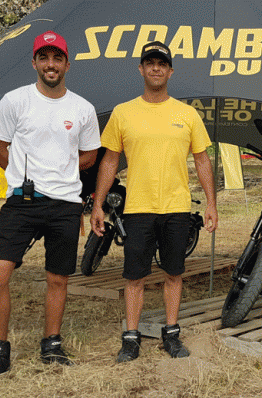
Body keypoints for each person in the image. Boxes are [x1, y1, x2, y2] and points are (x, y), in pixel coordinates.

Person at [0, 31, 101, 383]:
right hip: (22, 201)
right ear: (34, 63)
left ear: (67, 64)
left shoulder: (82, 108)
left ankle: (52, 345)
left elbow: (90, 155)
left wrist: (61, 171)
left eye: (57, 58)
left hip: (65, 203)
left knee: (58, 278)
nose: (50, 64)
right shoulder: (14, 101)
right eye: (44, 57)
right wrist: (22, 174)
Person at [91, 41, 218, 362]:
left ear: (170, 71)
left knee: (174, 273)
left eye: (162, 63)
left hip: (177, 208)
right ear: (141, 69)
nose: (156, 68)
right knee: (134, 277)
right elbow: (109, 161)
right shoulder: (123, 112)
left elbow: (202, 160)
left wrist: (212, 204)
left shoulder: (187, 114)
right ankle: (131, 338)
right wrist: (98, 204)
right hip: (138, 209)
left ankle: (171, 334)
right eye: (150, 63)